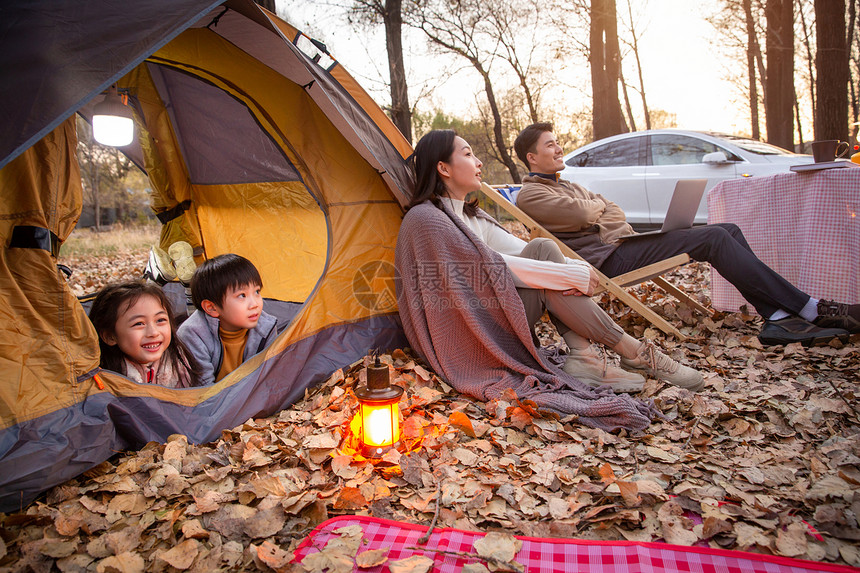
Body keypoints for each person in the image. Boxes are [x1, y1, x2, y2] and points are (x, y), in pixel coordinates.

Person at [395, 130, 703, 430]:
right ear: (443, 168)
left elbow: (522, 253)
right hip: (469, 332)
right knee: (548, 271)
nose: (478, 162)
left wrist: (576, 267)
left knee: (544, 248)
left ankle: (587, 358)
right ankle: (633, 354)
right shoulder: (427, 220)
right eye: (468, 154)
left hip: (496, 313)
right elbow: (492, 266)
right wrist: (568, 274)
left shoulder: (470, 216)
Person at [513, 122, 860, 346]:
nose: (559, 149)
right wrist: (597, 209)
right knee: (714, 238)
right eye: (550, 146)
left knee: (727, 230)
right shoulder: (532, 194)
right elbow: (585, 212)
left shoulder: (568, 184)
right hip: (608, 260)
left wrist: (599, 209)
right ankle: (809, 309)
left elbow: (610, 208)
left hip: (624, 245)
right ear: (532, 157)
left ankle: (779, 317)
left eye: (558, 143)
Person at [178, 254, 278, 385]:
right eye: (242, 295)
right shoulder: (193, 335)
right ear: (212, 308)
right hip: (212, 398)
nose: (255, 304)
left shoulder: (266, 328)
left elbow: (269, 376)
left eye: (257, 292)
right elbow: (202, 390)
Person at [89, 281, 203, 388]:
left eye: (160, 320)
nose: (153, 333)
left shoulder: (179, 362)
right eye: (139, 323)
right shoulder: (102, 378)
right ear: (110, 336)